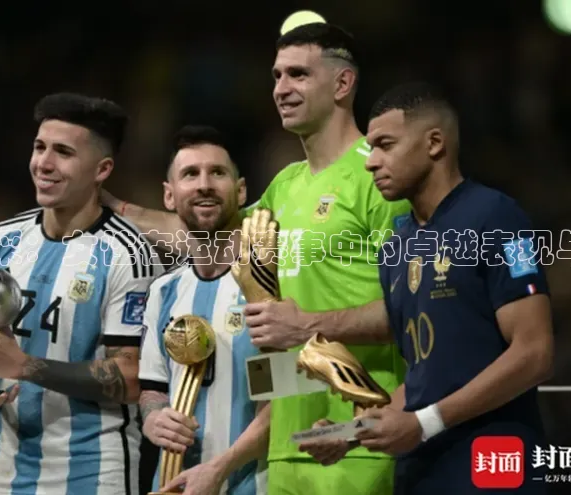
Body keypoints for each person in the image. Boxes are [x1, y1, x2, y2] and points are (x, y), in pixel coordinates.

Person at [104, 21, 411, 495]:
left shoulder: (379, 175)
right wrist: (108, 205)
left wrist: (307, 326)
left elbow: (413, 309)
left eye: (298, 75)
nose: (281, 89)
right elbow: (205, 234)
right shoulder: (286, 185)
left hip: (359, 438)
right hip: (287, 449)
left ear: (342, 83)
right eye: (276, 76)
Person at [291, 81, 554, 493]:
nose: (371, 162)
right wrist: (353, 431)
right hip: (420, 475)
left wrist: (425, 423)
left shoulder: (497, 218)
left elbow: (534, 352)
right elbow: (424, 376)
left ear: (434, 143)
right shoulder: (396, 248)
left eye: (385, 145)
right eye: (371, 148)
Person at [0, 93, 162, 495]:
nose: (43, 163)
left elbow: (131, 378)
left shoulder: (128, 254)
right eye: (39, 147)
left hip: (93, 471)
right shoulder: (1, 240)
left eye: (63, 152)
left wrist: (25, 366)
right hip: (5, 470)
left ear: (102, 169)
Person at [137, 125, 269, 494]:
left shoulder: (269, 288)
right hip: (175, 484)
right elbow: (153, 388)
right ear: (169, 195)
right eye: (190, 174)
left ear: (240, 191)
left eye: (217, 173)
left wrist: (220, 468)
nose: (204, 185)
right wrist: (153, 419)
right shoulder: (163, 292)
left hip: (254, 485)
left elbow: (284, 401)